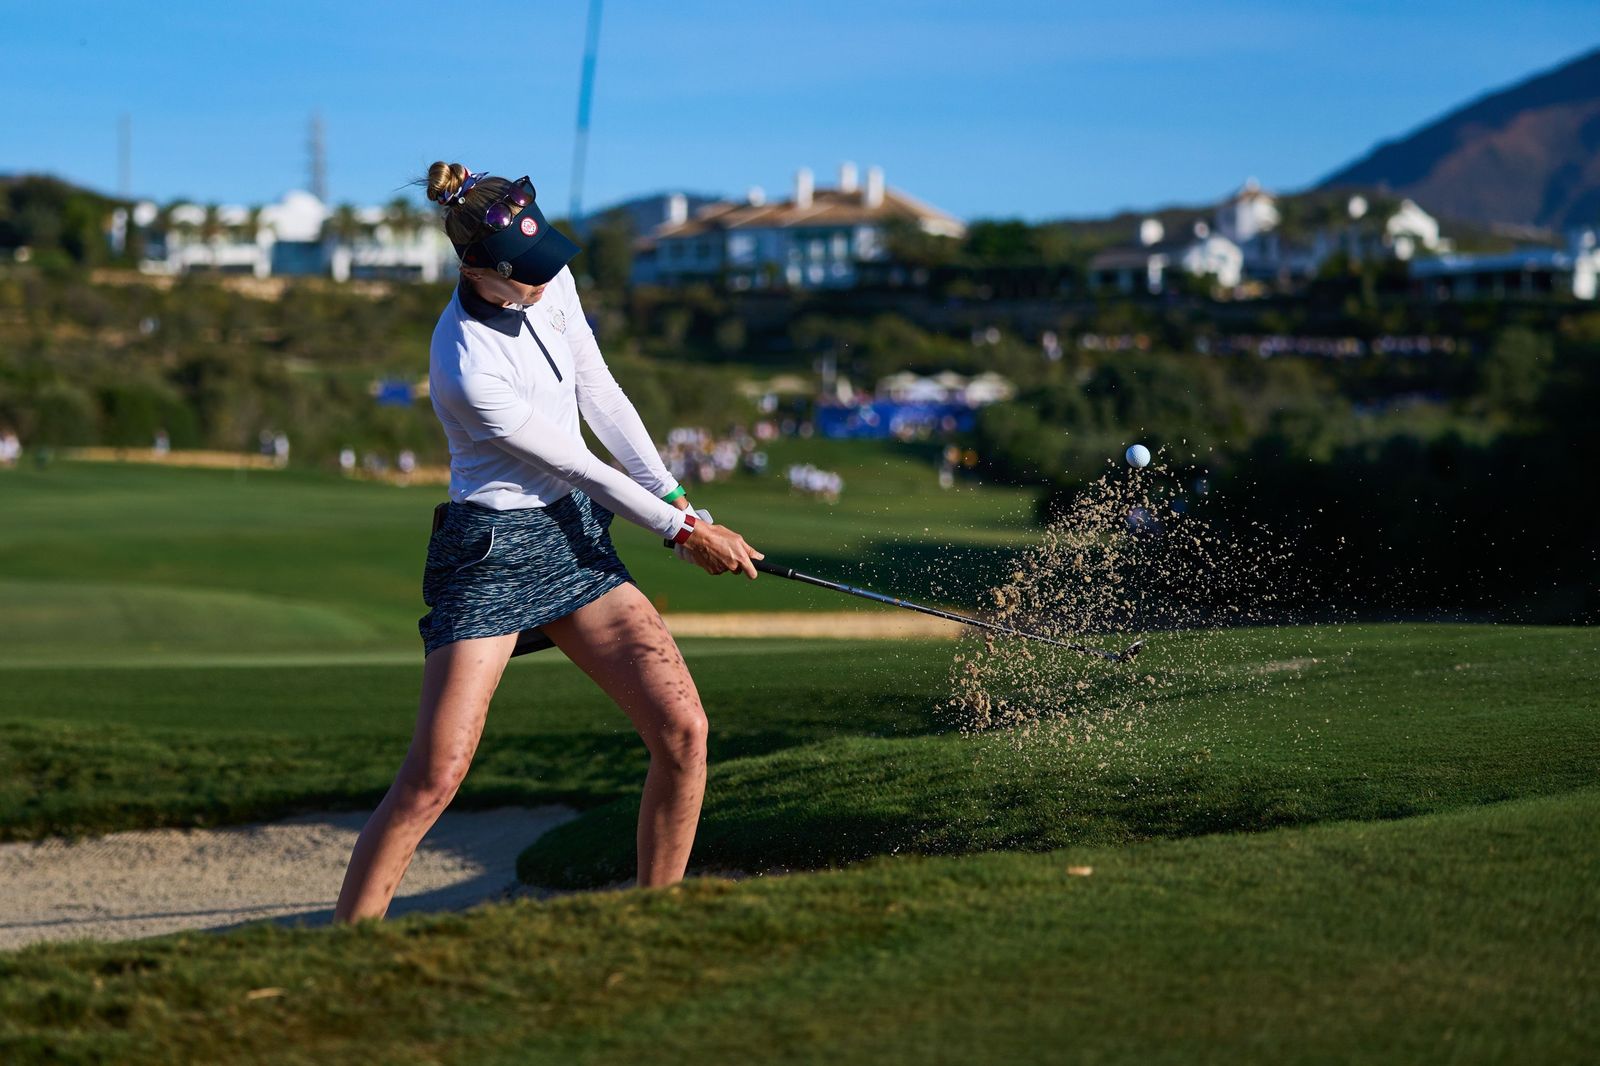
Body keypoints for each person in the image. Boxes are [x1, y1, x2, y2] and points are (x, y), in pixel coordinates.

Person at [333, 162, 762, 922]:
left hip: (573, 538)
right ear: (476, 269)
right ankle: (347, 948)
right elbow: (577, 462)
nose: (543, 278)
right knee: (435, 777)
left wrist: (676, 499)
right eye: (524, 272)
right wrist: (685, 533)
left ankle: (652, 923)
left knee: (684, 731)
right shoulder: (465, 365)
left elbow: (600, 391)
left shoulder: (548, 278)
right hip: (491, 553)